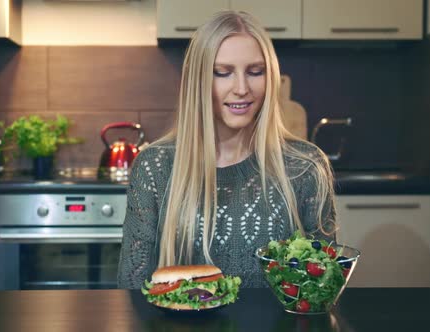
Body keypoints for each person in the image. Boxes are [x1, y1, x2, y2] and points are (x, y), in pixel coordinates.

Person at [117, 10, 336, 289]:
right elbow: (132, 286)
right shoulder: (154, 167)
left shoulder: (306, 165)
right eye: (223, 73)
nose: (242, 88)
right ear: (198, 82)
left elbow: (323, 285)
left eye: (255, 72)